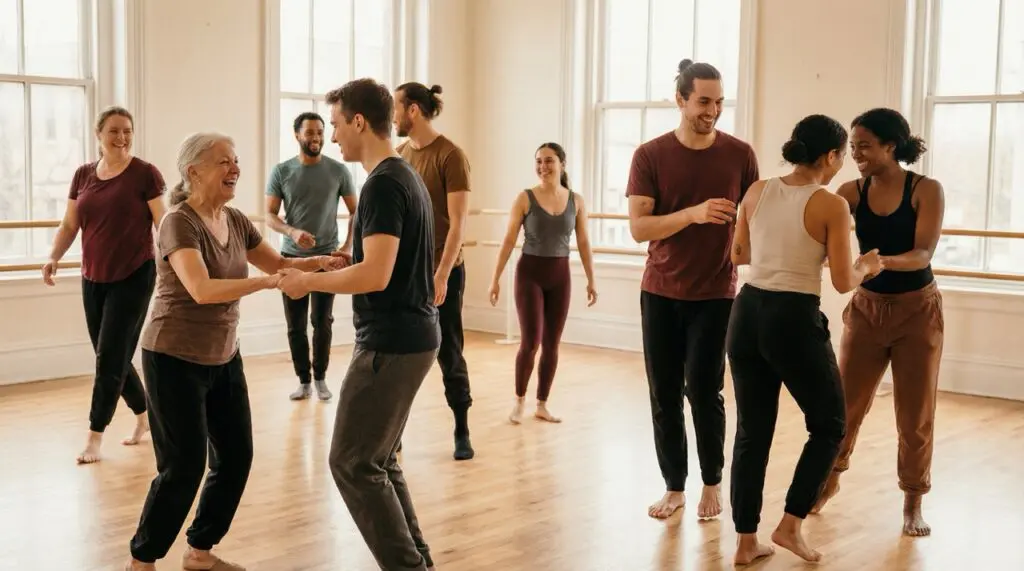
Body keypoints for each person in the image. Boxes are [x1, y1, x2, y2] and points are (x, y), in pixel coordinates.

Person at [124, 132, 345, 571]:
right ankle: (142, 560)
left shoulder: (237, 219)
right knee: (183, 468)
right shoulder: (178, 222)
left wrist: (321, 263)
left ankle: (199, 551)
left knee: (236, 456)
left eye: (236, 160)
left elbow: (278, 264)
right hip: (173, 358)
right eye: (224, 161)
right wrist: (265, 284)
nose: (235, 168)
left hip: (224, 356)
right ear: (193, 172)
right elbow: (202, 290)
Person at [278, 78, 440, 571]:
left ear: (358, 122)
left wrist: (308, 284)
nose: (332, 137)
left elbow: (377, 274)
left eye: (335, 125)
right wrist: (339, 261)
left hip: (392, 343)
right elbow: (378, 260)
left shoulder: (384, 184)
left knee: (350, 462)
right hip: (410, 337)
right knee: (379, 461)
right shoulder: (400, 176)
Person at [725, 114, 883, 565]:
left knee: (752, 433)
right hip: (791, 317)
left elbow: (740, 255)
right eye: (841, 157)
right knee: (831, 424)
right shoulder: (830, 204)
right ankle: (791, 524)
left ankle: (744, 542)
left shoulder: (757, 191)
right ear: (830, 156)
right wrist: (866, 267)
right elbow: (840, 281)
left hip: (747, 311)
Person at [625, 59, 759, 520]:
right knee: (663, 393)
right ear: (680, 99)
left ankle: (711, 482)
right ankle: (674, 486)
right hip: (660, 291)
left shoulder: (740, 154)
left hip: (716, 292)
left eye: (720, 102)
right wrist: (693, 214)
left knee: (704, 391)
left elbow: (754, 217)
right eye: (704, 101)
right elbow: (639, 228)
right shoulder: (649, 155)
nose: (713, 110)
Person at [811, 108, 945, 538]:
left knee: (914, 414)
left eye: (865, 146)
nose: (857, 155)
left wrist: (876, 263)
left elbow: (923, 253)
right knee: (845, 406)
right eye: (852, 147)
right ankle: (829, 479)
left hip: (916, 312)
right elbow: (814, 217)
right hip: (867, 310)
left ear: (892, 146)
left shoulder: (926, 190)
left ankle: (913, 500)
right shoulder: (850, 190)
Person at [43, 105, 166, 465]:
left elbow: (164, 222)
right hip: (93, 275)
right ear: (99, 134)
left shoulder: (145, 174)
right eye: (114, 130)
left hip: (135, 274)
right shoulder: (83, 175)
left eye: (127, 130)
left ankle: (94, 437)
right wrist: (53, 256)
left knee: (109, 357)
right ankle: (145, 417)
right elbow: (70, 225)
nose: (122, 137)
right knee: (111, 354)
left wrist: (177, 263)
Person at [393, 82, 475, 460]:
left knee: (449, 351)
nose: (392, 116)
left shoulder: (451, 156)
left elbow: (457, 224)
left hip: (444, 272)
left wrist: (441, 275)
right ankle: (394, 434)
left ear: (413, 110)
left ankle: (461, 428)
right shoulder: (400, 154)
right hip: (406, 273)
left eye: (396, 107)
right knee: (400, 354)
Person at [487, 142, 597, 424]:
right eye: (538, 161)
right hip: (529, 274)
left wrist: (591, 280)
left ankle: (542, 404)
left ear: (562, 164)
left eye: (549, 161)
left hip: (560, 276)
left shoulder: (577, 201)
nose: (543, 167)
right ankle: (519, 401)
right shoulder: (525, 198)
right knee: (530, 342)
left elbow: (583, 243)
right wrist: (495, 279)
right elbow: (509, 239)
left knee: (552, 344)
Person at [266, 111, 358, 402]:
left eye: (320, 132)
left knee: (322, 321)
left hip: (327, 260)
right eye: (310, 132)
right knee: (295, 325)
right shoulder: (282, 171)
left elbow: (358, 211)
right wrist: (292, 232)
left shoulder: (339, 170)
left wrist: (346, 247)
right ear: (297, 135)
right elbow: (269, 215)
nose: (316, 137)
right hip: (291, 260)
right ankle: (303, 381)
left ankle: (320, 378)